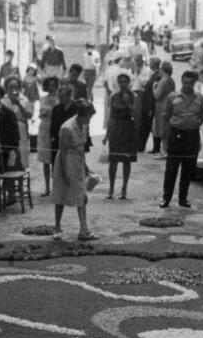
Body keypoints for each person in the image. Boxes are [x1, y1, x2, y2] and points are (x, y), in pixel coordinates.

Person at [160, 69, 203, 209]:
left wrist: (193, 124)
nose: (188, 85)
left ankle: (183, 199)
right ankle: (166, 198)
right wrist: (167, 137)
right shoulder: (172, 97)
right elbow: (165, 115)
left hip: (191, 135)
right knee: (171, 169)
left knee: (188, 168)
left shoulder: (200, 98)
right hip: (176, 135)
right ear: (182, 82)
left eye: (191, 83)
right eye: (185, 82)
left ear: (194, 83)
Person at [52, 99, 97, 242]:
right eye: (89, 116)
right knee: (61, 195)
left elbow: (82, 149)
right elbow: (63, 151)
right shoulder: (67, 128)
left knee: (81, 195)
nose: (90, 119)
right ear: (82, 115)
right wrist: (64, 173)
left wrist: (86, 168)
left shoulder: (84, 125)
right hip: (65, 162)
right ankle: (57, 227)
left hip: (77, 162)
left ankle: (84, 230)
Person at [104, 72, 138, 200]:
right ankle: (111, 188)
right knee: (113, 161)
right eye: (121, 82)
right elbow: (110, 115)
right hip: (115, 128)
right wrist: (107, 134)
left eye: (125, 81)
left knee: (126, 161)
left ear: (128, 83)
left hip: (128, 129)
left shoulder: (133, 96)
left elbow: (136, 115)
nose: (123, 84)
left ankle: (124, 188)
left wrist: (129, 104)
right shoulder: (114, 97)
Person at [0, 77, 32, 174]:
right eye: (10, 86)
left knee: (21, 156)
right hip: (7, 131)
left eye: (16, 86)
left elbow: (29, 115)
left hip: (20, 130)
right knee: (9, 158)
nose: (13, 89)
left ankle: (20, 178)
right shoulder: (2, 100)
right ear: (6, 88)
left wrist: (18, 104)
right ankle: (8, 183)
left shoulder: (24, 99)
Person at [36, 76, 59, 196]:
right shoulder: (43, 98)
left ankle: (57, 186)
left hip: (55, 128)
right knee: (46, 160)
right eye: (49, 85)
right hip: (45, 128)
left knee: (56, 159)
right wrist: (45, 112)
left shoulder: (59, 99)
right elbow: (40, 114)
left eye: (53, 84)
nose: (52, 87)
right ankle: (46, 187)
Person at [152, 61, 175, 157]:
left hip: (161, 106)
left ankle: (164, 151)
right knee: (167, 128)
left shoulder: (163, 81)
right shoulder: (171, 80)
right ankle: (166, 149)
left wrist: (154, 87)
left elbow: (157, 95)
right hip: (170, 105)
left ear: (162, 70)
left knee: (162, 128)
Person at [139, 57, 162, 152]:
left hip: (150, 104)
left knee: (149, 126)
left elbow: (153, 92)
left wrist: (150, 107)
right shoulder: (154, 74)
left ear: (153, 64)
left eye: (150, 62)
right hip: (148, 104)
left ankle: (146, 147)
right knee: (149, 126)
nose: (149, 64)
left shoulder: (157, 75)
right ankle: (142, 146)